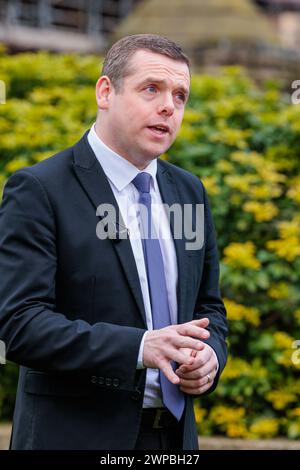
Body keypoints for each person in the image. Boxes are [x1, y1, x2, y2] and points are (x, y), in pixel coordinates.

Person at [0, 34, 227, 450]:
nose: (168, 107)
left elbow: (209, 309)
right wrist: (139, 347)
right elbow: (19, 324)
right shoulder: (39, 189)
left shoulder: (189, 191)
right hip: (75, 437)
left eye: (180, 96)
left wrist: (211, 357)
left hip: (175, 440)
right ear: (106, 92)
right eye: (151, 89)